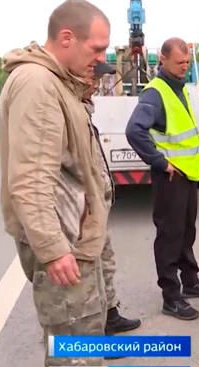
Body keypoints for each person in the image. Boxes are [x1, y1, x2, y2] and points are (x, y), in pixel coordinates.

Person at [0, 1, 127, 367]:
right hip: (64, 241)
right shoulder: (38, 84)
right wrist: (53, 250)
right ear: (67, 38)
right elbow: (31, 179)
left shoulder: (59, 82)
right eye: (97, 50)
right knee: (71, 333)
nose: (102, 60)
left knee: (86, 327)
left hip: (78, 234)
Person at [125, 37, 199, 321]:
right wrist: (158, 162)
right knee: (170, 235)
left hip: (187, 174)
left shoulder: (178, 89)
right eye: (180, 63)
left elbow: (183, 130)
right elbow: (134, 131)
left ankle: (190, 282)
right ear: (162, 60)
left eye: (187, 63)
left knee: (186, 231)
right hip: (170, 178)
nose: (184, 68)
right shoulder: (156, 93)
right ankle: (171, 296)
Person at [83, 62, 142, 339]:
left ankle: (109, 316)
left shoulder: (82, 109)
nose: (96, 84)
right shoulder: (62, 108)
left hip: (95, 210)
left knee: (104, 263)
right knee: (85, 285)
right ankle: (92, 346)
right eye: (92, 77)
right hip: (80, 217)